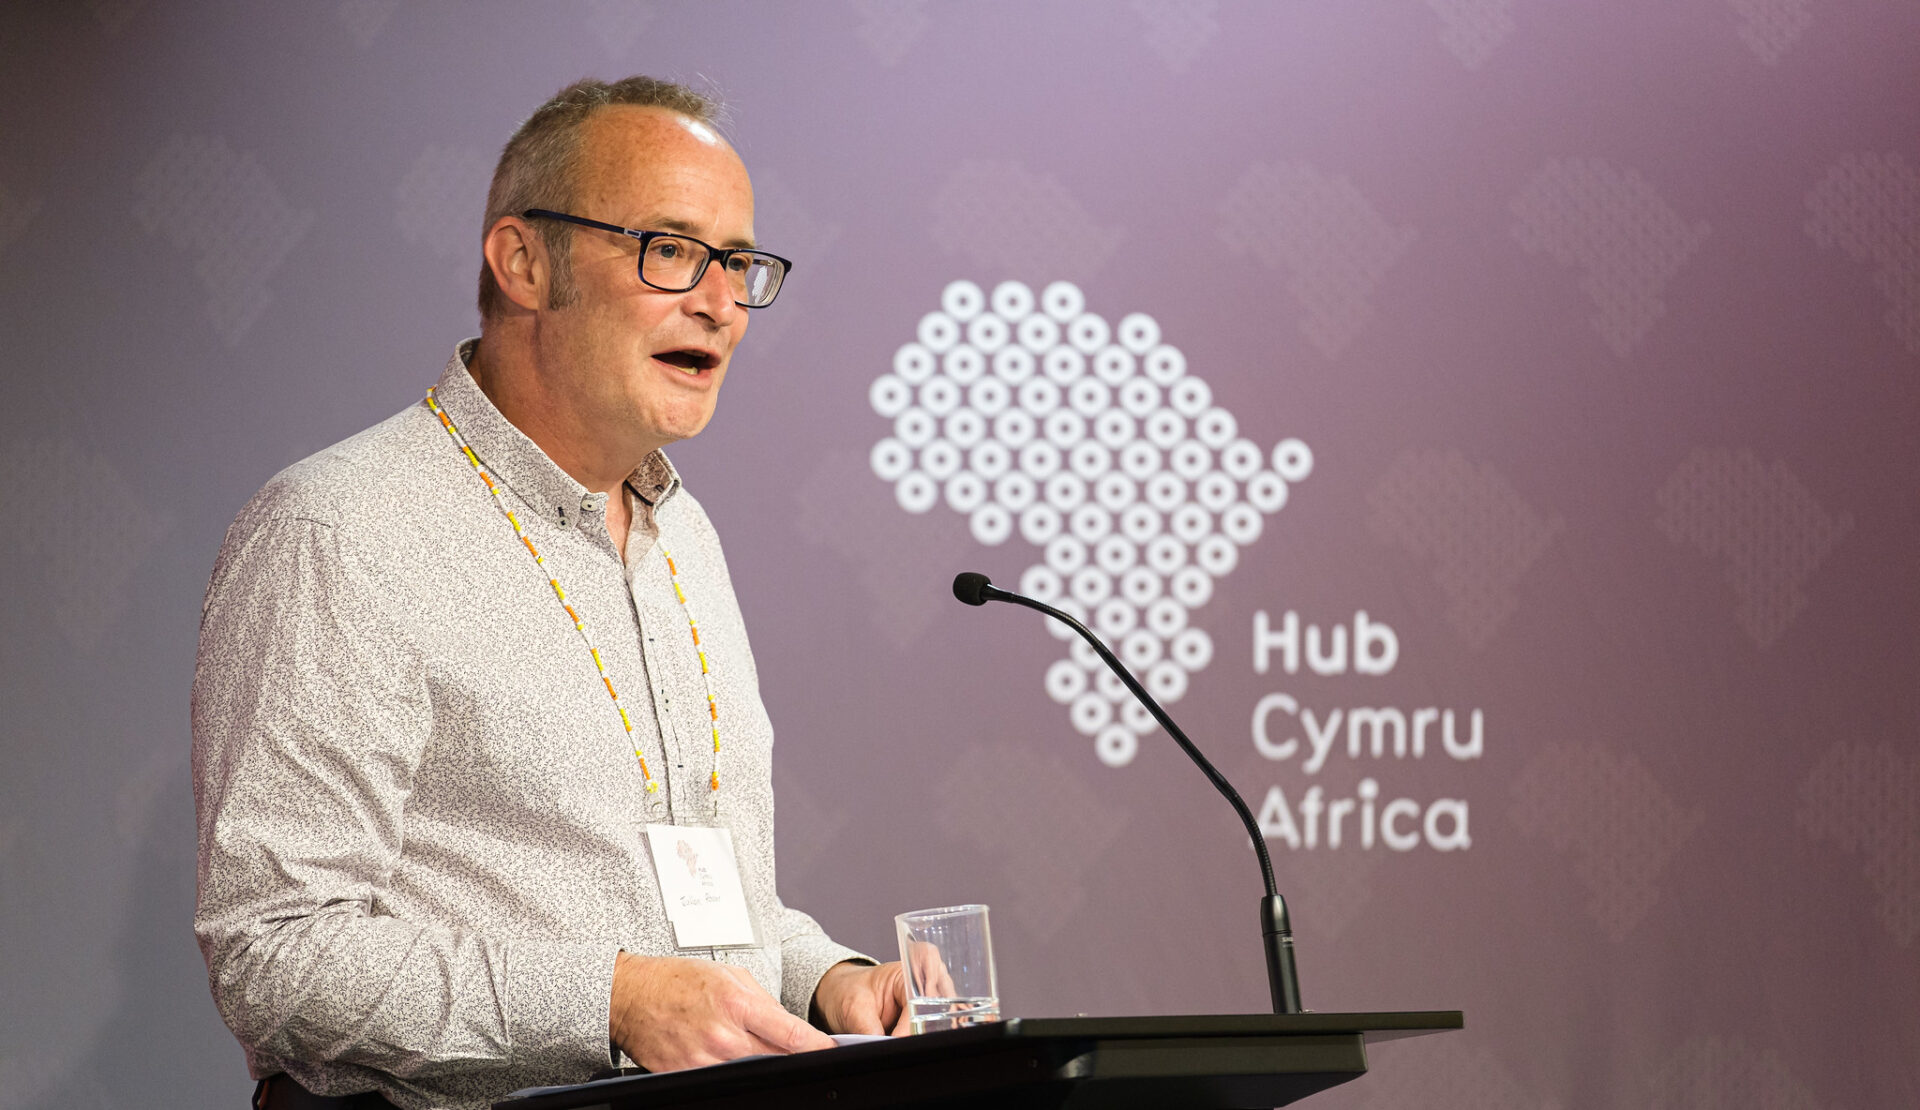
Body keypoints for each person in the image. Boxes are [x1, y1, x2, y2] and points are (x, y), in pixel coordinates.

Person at [191, 76, 908, 1110]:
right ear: (524, 262)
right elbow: (277, 952)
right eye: (671, 250)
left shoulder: (683, 535)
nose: (719, 303)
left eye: (740, 264)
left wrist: (828, 981)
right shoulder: (339, 531)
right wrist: (606, 1001)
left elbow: (700, 914)